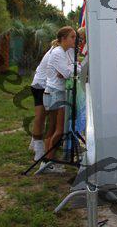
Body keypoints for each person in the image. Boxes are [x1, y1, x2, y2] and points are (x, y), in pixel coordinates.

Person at [39, 26, 78, 173]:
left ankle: (48, 161)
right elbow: (68, 73)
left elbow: (74, 68)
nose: (75, 40)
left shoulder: (64, 52)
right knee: (58, 129)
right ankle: (48, 162)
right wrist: (70, 69)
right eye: (72, 37)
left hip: (55, 92)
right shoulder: (57, 53)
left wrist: (71, 68)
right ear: (63, 38)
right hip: (55, 93)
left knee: (54, 128)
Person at [29, 45, 54, 161]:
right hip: (41, 85)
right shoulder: (58, 51)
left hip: (42, 84)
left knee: (43, 116)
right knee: (41, 117)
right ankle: (39, 149)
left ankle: (34, 142)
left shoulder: (58, 49)